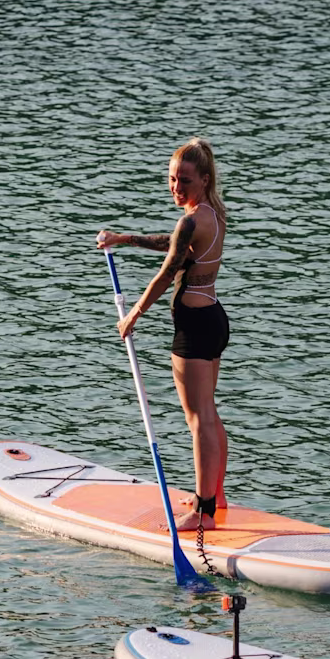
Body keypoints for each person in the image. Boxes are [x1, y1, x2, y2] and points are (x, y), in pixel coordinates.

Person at [95, 137, 229, 531]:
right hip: (214, 321)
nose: (176, 187)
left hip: (195, 329)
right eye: (171, 179)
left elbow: (168, 270)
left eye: (184, 180)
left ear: (203, 180)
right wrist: (125, 239)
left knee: (198, 418)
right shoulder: (211, 212)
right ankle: (214, 495)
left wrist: (133, 314)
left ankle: (203, 512)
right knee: (209, 413)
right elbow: (174, 246)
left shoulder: (190, 219)